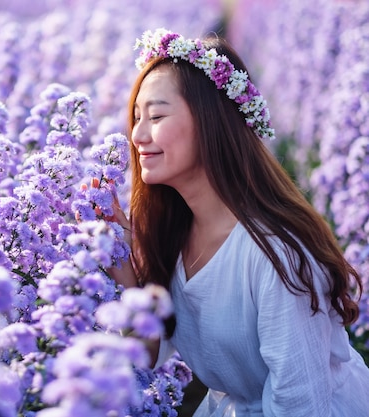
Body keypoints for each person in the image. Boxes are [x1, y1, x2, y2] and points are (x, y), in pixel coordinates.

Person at [105, 28, 369, 416]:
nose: (138, 134)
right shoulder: (176, 232)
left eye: (157, 116)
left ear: (210, 121)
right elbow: (147, 353)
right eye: (136, 116)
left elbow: (300, 405)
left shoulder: (276, 253)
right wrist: (119, 256)